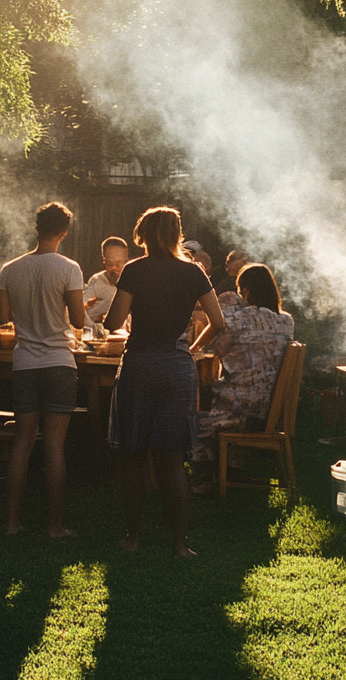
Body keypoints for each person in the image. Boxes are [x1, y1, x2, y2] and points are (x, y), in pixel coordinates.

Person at [104, 206, 224, 558]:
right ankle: (180, 544)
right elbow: (217, 322)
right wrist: (192, 349)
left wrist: (119, 300)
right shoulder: (193, 272)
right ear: (177, 235)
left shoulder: (134, 269)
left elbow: (113, 321)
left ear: (142, 236)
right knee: (172, 459)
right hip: (176, 367)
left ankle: (133, 537)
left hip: (139, 365)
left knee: (133, 454)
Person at [0, 202, 86, 538]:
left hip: (24, 364)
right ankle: (54, 525)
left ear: (36, 228)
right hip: (59, 363)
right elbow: (78, 320)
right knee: (54, 446)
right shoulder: (69, 268)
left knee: (22, 442)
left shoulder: (9, 269)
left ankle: (11, 523)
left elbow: (4, 317)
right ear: (64, 231)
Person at [189, 264, 294, 493]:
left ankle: (203, 471)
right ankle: (234, 466)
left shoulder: (238, 319)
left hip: (241, 410)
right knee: (226, 392)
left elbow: (218, 350)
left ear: (245, 291)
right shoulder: (287, 321)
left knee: (199, 400)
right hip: (271, 411)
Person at [84, 237, 129, 325]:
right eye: (110, 263)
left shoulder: (132, 281)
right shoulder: (97, 280)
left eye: (118, 263)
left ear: (126, 261)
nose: (114, 268)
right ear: (104, 261)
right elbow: (82, 305)